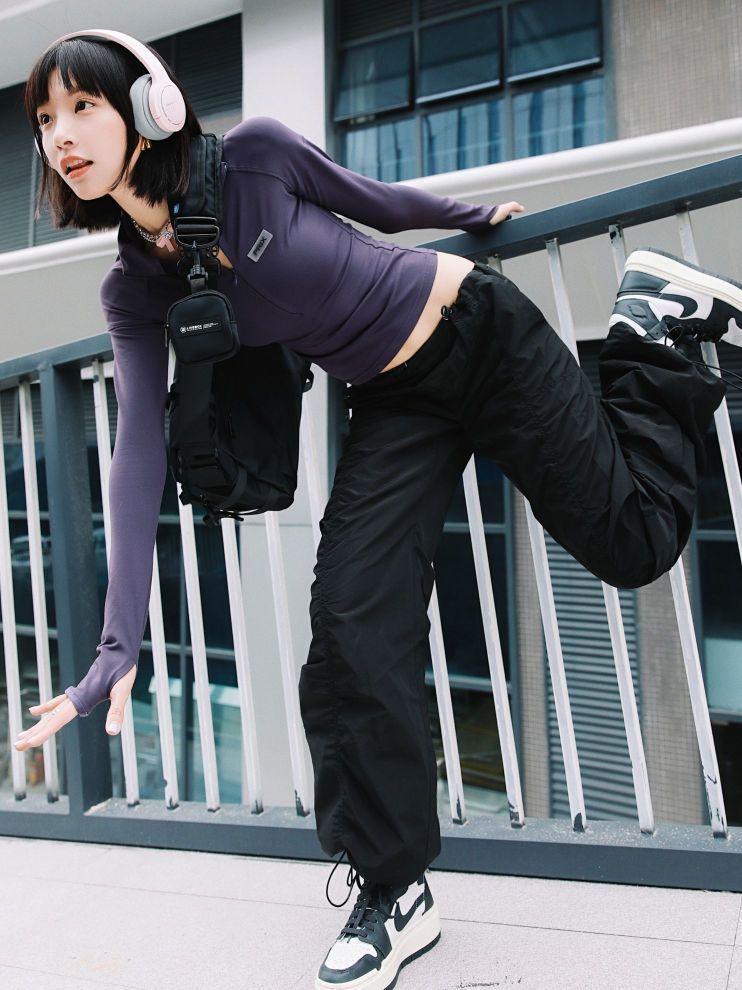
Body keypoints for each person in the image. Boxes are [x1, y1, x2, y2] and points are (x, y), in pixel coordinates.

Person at [13, 29, 742, 990]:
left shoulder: (255, 158)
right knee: (350, 628)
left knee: (636, 541)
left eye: (82, 106)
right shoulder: (134, 288)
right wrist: (118, 643)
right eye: (44, 120)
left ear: (152, 107)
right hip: (395, 401)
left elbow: (375, 201)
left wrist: (472, 215)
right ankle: (394, 893)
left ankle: (650, 329)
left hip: (478, 335)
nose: (61, 135)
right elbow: (137, 451)